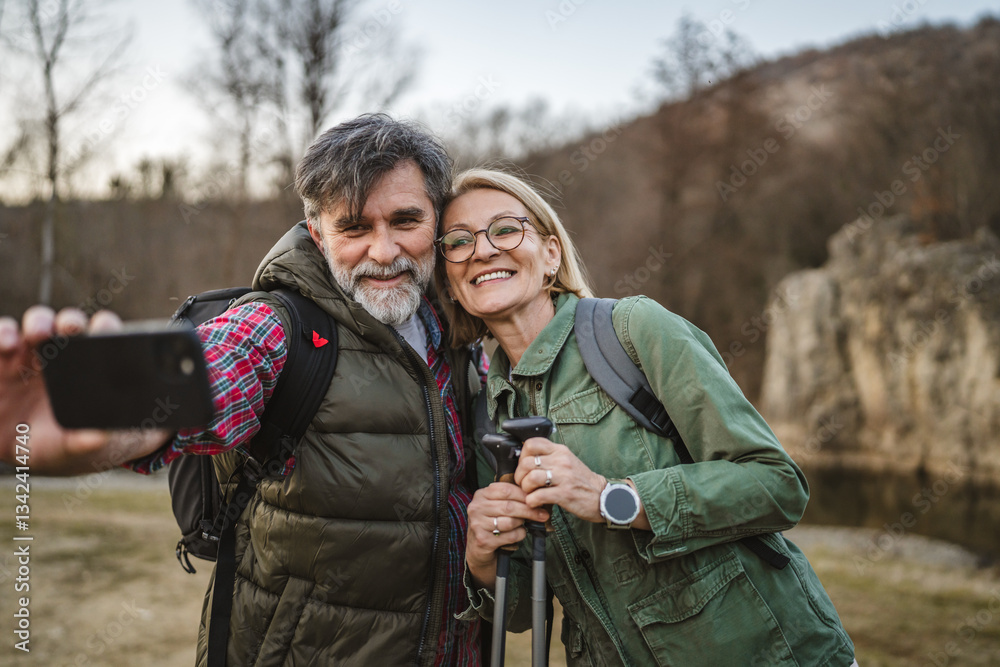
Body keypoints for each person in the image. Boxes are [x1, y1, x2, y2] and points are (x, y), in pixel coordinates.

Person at [0, 114, 487, 666]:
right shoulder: (278, 326)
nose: (383, 251)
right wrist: (101, 413)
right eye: (353, 228)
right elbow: (212, 374)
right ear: (316, 229)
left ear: (438, 219)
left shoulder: (461, 329)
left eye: (405, 220)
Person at [435, 168, 857, 666]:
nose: (482, 250)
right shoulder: (489, 414)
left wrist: (613, 498)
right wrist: (484, 556)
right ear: (453, 283)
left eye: (505, 229)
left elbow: (777, 485)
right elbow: (523, 609)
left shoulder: (633, 330)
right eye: (459, 242)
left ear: (551, 254)